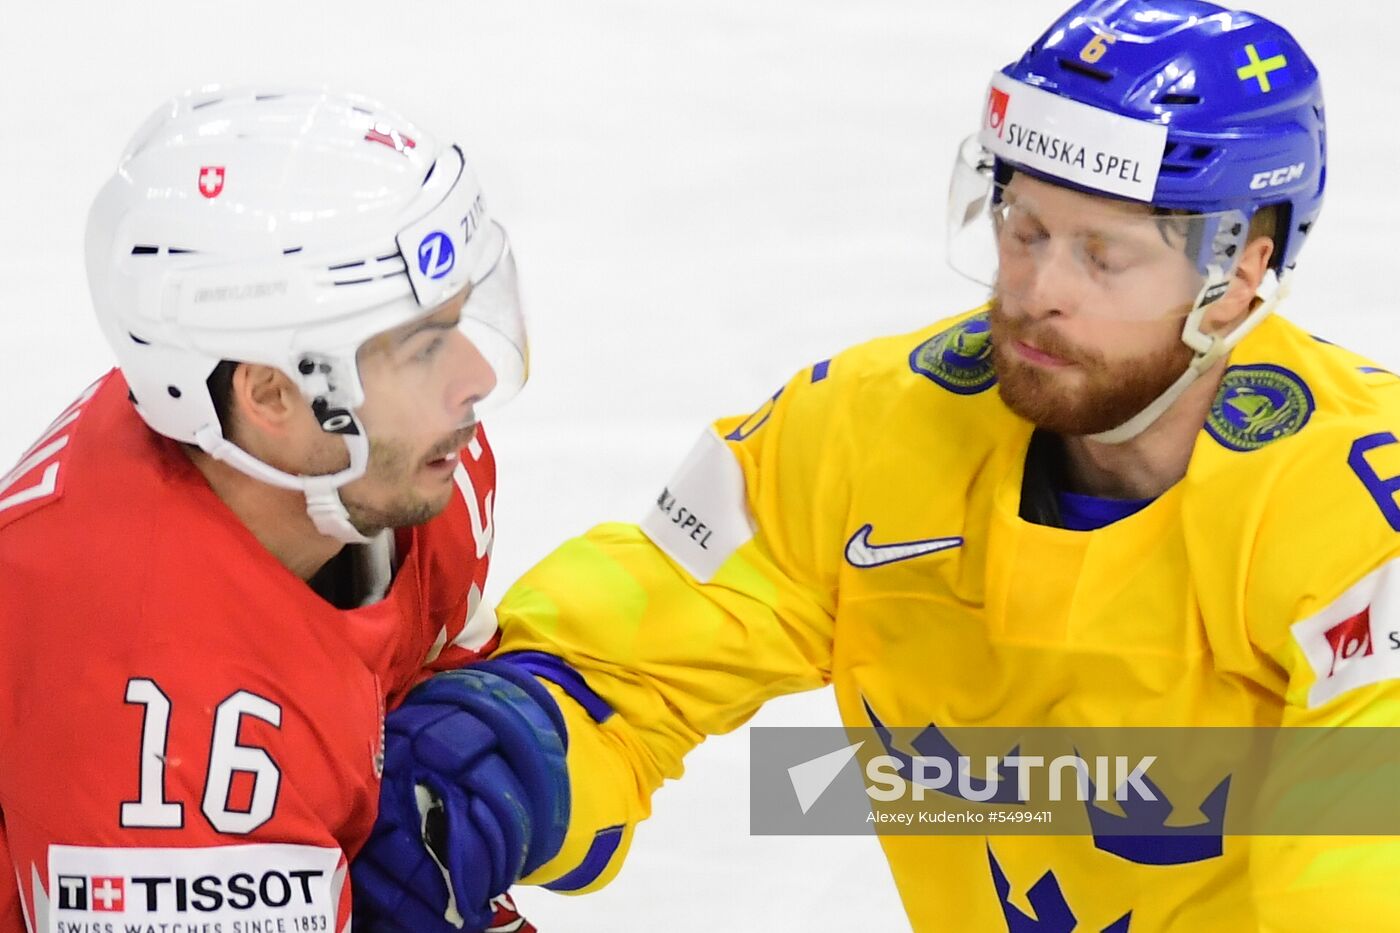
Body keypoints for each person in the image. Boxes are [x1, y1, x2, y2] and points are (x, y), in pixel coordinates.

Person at [370, 0, 1400, 929]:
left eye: (1103, 255)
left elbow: (1360, 875)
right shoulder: (866, 427)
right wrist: (499, 759)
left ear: (1236, 277)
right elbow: (634, 655)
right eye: (1023, 227)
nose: (1036, 288)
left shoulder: (1356, 514)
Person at [0, 87, 579, 932]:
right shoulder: (160, 717)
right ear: (271, 392)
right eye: (422, 349)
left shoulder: (388, 468)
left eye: (458, 323)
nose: (475, 379)